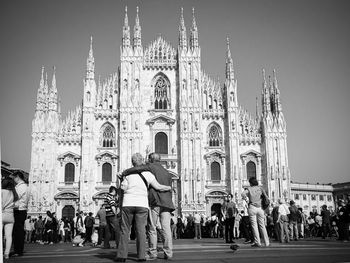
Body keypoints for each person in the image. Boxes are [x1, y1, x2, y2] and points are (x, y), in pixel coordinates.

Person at [115, 153, 171, 262]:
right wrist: (168, 187)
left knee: (125, 230)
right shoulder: (148, 174)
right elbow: (158, 187)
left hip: (128, 204)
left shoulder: (127, 174)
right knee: (141, 230)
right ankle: (141, 256)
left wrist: (121, 178)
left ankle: (122, 256)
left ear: (132, 162)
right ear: (143, 161)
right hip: (142, 205)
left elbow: (123, 188)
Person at [241, 177, 270, 247]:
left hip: (252, 208)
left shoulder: (249, 189)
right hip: (260, 208)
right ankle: (267, 242)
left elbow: (242, 194)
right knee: (262, 225)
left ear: (250, 183)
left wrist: (246, 199)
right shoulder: (260, 188)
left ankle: (258, 242)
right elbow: (266, 197)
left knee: (254, 226)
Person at [10, 171, 29, 257]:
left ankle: (18, 250)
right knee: (18, 231)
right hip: (22, 210)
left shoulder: (21, 187)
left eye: (14, 178)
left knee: (18, 232)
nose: (13, 180)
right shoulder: (25, 186)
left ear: (17, 177)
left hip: (19, 210)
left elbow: (14, 197)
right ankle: (17, 249)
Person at [2, 177, 19, 259]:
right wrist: (11, 206)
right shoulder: (13, 193)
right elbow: (17, 205)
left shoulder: (1, 191)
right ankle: (6, 254)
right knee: (8, 236)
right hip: (10, 216)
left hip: (2, 214)